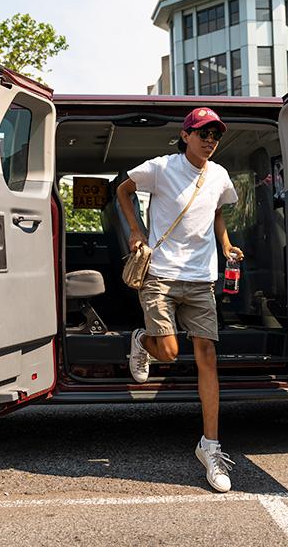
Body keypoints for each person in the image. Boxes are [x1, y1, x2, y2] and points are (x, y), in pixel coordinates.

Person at [116, 106, 243, 493]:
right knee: (169, 353)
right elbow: (122, 189)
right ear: (185, 135)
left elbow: (217, 212)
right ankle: (141, 340)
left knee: (207, 358)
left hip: (201, 279)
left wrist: (225, 245)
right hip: (161, 274)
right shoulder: (161, 168)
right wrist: (136, 231)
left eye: (215, 135)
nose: (210, 140)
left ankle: (210, 447)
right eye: (203, 133)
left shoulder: (219, 175)